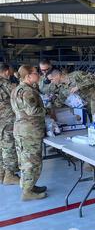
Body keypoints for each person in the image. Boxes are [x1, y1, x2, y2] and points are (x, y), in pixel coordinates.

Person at [11, 65, 47, 201]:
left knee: (25, 160)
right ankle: (27, 191)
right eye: (35, 73)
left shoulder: (16, 89)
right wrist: (47, 111)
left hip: (22, 129)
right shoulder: (28, 92)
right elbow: (33, 111)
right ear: (28, 76)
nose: (38, 74)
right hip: (29, 132)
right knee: (32, 162)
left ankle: (30, 186)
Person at [0, 63, 20, 185]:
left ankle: (1, 173)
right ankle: (10, 175)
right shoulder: (5, 83)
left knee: (1, 147)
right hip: (7, 120)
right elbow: (18, 95)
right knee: (9, 147)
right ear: (7, 72)